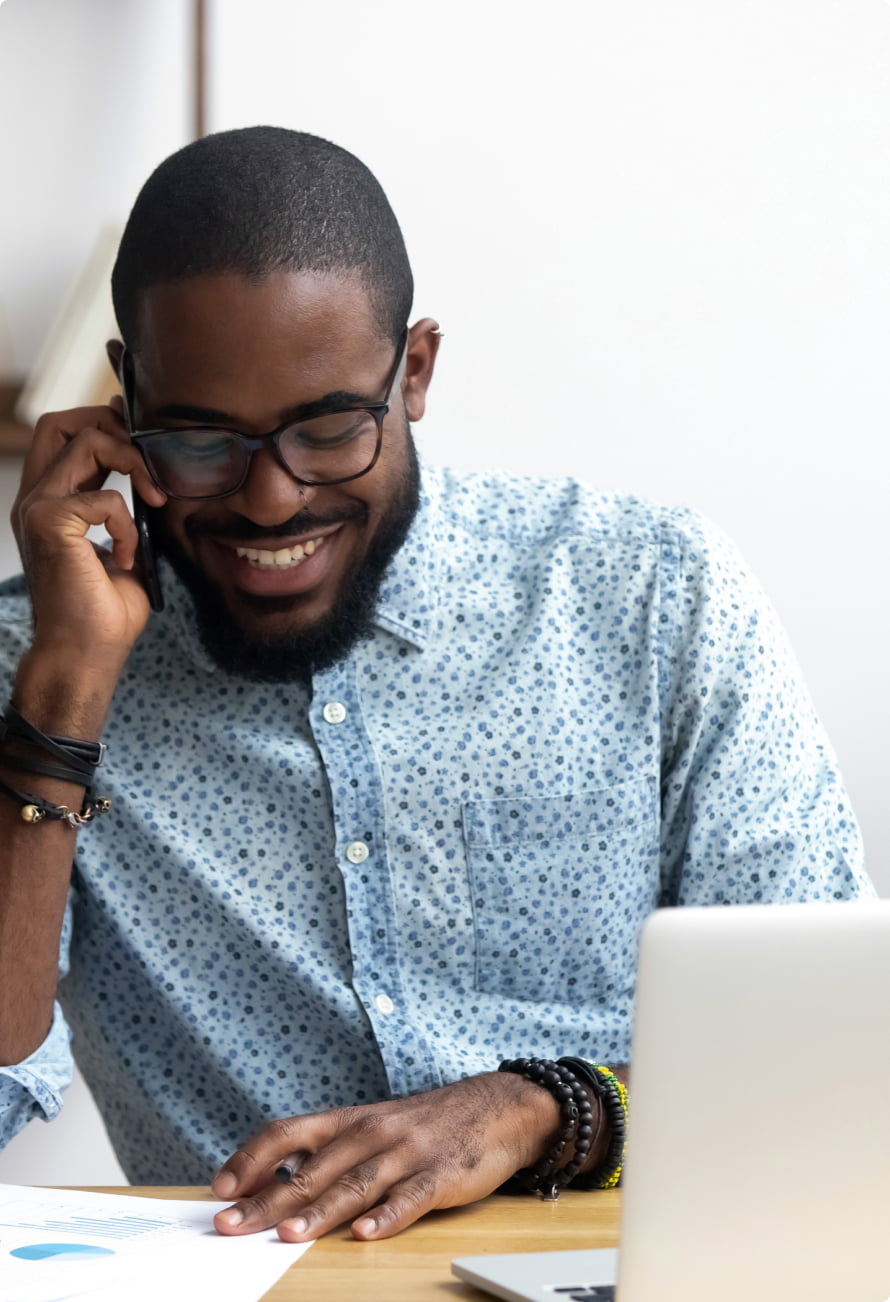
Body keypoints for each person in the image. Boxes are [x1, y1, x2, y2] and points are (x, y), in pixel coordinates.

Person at [0, 127, 870, 1243]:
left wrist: (536, 1110)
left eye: (325, 430)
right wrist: (63, 702)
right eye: (201, 440)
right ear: (125, 398)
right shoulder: (39, 661)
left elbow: (828, 1058)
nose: (270, 501)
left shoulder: (649, 594)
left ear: (412, 373)